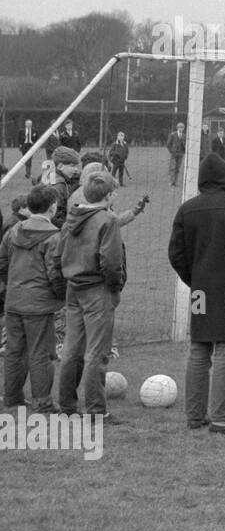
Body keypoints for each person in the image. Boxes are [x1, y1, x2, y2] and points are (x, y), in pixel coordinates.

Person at [169, 153, 225, 433]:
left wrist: (194, 279)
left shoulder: (186, 209)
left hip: (200, 291)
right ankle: (220, 418)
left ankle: (195, 416)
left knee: (199, 347)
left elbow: (176, 254)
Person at [54, 173, 124, 422]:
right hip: (97, 289)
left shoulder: (72, 217)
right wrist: (114, 288)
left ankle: (67, 407)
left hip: (74, 288)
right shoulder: (108, 220)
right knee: (97, 351)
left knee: (72, 349)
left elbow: (57, 254)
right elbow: (112, 262)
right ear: (108, 195)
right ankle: (96, 410)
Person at [0, 185, 64, 412]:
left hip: (14, 301)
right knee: (41, 353)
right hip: (38, 305)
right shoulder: (54, 237)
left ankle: (12, 397)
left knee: (14, 351)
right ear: (53, 206)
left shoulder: (13, 231)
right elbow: (55, 272)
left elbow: (3, 264)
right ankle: (43, 402)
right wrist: (61, 295)